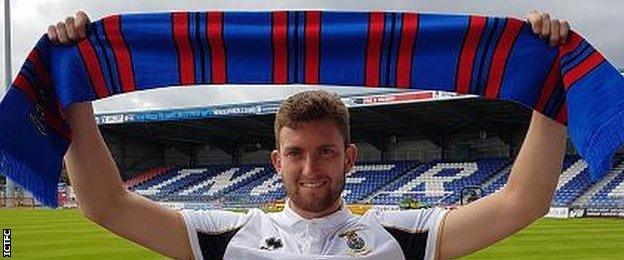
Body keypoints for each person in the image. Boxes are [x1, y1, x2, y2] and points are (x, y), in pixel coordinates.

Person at [49, 10, 569, 260]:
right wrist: (73, 86)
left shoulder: (406, 234)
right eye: (295, 153)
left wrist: (552, 84)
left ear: (349, 158)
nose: (310, 168)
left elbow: (522, 201)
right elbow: (106, 205)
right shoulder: (227, 234)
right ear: (276, 161)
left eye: (325, 152)